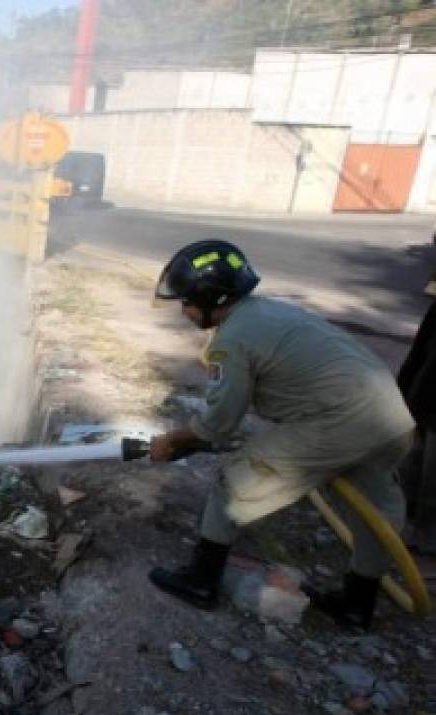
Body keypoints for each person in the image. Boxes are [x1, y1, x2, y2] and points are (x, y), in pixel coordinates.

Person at [145, 239, 415, 631]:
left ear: (210, 297)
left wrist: (173, 441)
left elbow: (219, 423)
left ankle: (201, 582)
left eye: (185, 301)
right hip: (390, 416)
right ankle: (357, 608)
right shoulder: (265, 311)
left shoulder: (232, 340)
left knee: (233, 479)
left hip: (340, 421)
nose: (183, 310)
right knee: (374, 510)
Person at [397, 275, 436, 558]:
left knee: (432, 479)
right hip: (422, 399)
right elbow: (419, 352)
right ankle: (402, 522)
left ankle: (427, 535)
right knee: (411, 466)